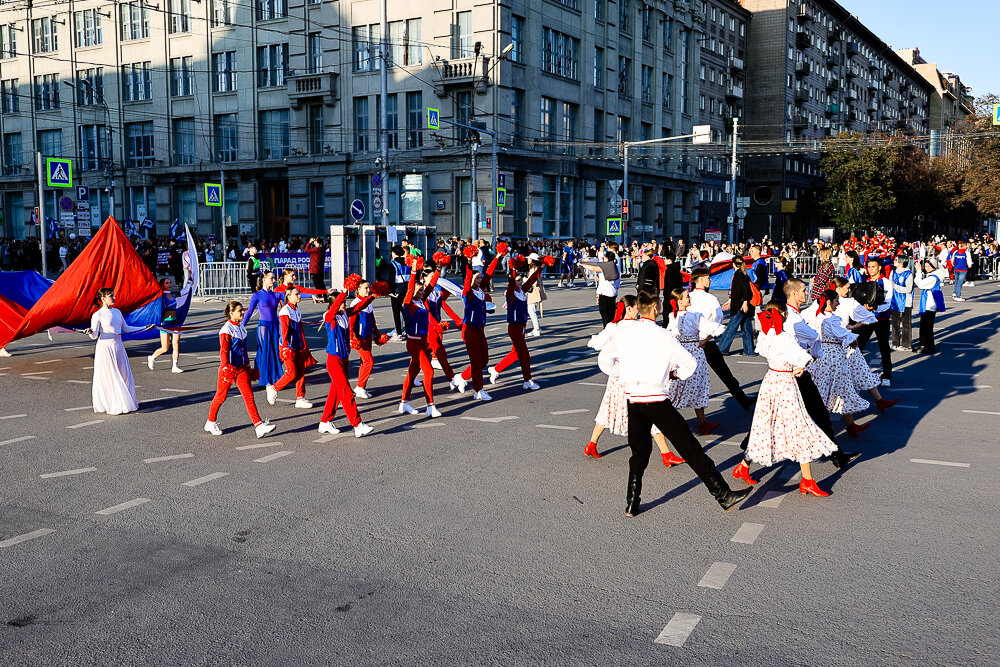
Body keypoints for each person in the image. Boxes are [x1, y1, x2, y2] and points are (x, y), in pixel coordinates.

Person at [604, 291, 754, 516]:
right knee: (690, 448)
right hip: (656, 399)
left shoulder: (625, 333)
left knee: (639, 452)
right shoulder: (663, 336)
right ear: (655, 307)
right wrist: (673, 374)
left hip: (634, 398)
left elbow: (604, 360)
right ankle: (722, 494)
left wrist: (624, 372)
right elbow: (689, 365)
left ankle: (632, 501)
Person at [742, 304, 839, 497]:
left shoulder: (766, 333)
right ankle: (807, 481)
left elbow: (761, 350)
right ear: (783, 315)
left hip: (770, 382)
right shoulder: (783, 336)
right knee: (799, 426)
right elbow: (802, 356)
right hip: (785, 384)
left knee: (767, 426)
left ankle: (744, 465)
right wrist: (801, 365)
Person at [585, 294, 686, 467]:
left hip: (616, 377)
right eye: (636, 308)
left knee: (608, 410)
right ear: (629, 308)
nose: (638, 311)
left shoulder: (613, 326)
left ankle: (591, 444)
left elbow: (595, 343)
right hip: (633, 376)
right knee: (650, 411)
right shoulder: (634, 327)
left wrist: (614, 360)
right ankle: (666, 453)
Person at [204, 301, 276, 438]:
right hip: (229, 369)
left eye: (242, 310)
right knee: (221, 396)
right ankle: (210, 421)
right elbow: (224, 351)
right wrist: (225, 367)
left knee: (249, 396)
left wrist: (248, 366)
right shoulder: (226, 329)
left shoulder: (242, 327)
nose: (242, 312)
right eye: (239, 310)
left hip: (242, 369)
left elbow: (244, 350)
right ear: (231, 313)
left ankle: (258, 426)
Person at [687, 268, 754, 410]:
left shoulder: (688, 297)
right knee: (724, 373)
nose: (710, 280)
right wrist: (707, 338)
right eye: (707, 278)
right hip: (707, 340)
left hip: (690, 340)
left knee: (684, 373)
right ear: (700, 279)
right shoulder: (711, 299)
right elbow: (718, 322)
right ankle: (742, 399)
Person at [666, 288, 724, 435]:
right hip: (694, 353)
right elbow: (718, 328)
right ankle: (700, 422)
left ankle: (701, 422)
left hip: (679, 353)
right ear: (679, 301)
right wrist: (705, 340)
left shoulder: (672, 317)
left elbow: (668, 335)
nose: (690, 298)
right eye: (687, 297)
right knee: (697, 386)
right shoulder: (695, 316)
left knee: (676, 387)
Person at [318, 290, 375, 437]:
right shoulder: (329, 317)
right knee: (346, 391)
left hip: (345, 359)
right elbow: (334, 309)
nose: (345, 303)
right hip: (334, 360)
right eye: (343, 301)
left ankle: (325, 421)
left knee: (335, 392)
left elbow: (359, 307)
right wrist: (343, 292)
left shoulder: (344, 314)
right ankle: (357, 425)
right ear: (335, 303)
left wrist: (373, 296)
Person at [85, 287, 149, 415]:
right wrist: (91, 332)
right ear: (103, 299)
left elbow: (126, 328)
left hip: (118, 346)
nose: (114, 298)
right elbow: (95, 335)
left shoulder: (117, 312)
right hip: (105, 348)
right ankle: (114, 404)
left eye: (113, 295)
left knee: (124, 374)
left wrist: (144, 328)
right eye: (110, 296)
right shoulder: (97, 315)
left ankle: (125, 401)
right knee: (111, 376)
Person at [398, 256, 443, 418]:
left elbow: (430, 285)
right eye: (420, 290)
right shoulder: (408, 304)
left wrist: (438, 269)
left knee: (412, 372)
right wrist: (414, 270)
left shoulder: (422, 301)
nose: (423, 292)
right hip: (414, 342)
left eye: (422, 290)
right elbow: (410, 289)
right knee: (429, 372)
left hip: (424, 342)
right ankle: (430, 406)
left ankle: (404, 403)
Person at [489, 257, 542, 391]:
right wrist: (513, 268)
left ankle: (495, 369)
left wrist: (542, 267)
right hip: (514, 328)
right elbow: (512, 282)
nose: (520, 281)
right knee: (524, 354)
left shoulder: (521, 291)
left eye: (520, 279)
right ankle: (527, 380)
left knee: (515, 354)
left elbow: (531, 280)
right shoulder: (511, 293)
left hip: (522, 327)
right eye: (518, 280)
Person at [460, 249, 505, 401]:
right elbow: (467, 279)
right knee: (476, 361)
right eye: (477, 278)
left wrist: (497, 257)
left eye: (480, 278)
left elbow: (489, 273)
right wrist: (468, 262)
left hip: (480, 330)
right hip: (469, 329)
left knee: (484, 360)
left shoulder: (481, 290)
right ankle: (478, 390)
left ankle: (462, 377)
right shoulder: (468, 292)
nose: (480, 280)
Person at [267, 286, 316, 408]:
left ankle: (300, 398)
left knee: (301, 372)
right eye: (296, 294)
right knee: (292, 373)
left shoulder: (297, 310)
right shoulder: (285, 311)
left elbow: (300, 330)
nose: (299, 296)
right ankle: (273, 388)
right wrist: (285, 347)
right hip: (288, 346)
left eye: (299, 294)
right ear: (289, 297)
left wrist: (303, 345)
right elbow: (284, 331)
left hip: (298, 345)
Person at [242, 270, 285, 392]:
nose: (274, 280)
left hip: (275, 326)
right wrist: (242, 326)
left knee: (275, 351)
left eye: (274, 278)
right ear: (264, 279)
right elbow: (249, 312)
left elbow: (293, 294)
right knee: (265, 352)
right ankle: (265, 379)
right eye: (272, 278)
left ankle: (273, 377)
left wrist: (314, 294)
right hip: (263, 327)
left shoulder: (276, 294)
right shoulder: (257, 295)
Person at [856, 258, 893, 387]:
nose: (871, 269)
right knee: (858, 346)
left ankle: (887, 375)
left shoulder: (886, 282)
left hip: (881, 319)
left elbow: (887, 303)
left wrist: (874, 308)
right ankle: (856, 374)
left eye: (873, 266)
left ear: (879, 268)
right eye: (869, 267)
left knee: (884, 347)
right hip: (867, 320)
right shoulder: (866, 281)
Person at [348, 279, 385, 399]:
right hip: (360, 338)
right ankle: (359, 387)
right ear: (358, 289)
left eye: (369, 288)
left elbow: (372, 321)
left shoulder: (369, 302)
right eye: (366, 288)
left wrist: (377, 335)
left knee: (364, 362)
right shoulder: (355, 303)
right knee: (369, 361)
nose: (368, 290)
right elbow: (351, 324)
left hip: (367, 336)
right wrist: (353, 338)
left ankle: (361, 387)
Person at [716, 258, 757, 356]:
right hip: (742, 304)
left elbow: (744, 291)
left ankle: (722, 348)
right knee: (747, 328)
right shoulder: (743, 274)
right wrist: (730, 301)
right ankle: (749, 350)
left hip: (740, 305)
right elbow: (738, 290)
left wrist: (745, 302)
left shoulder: (738, 275)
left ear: (733, 264)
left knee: (731, 327)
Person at [147, 277, 184, 374]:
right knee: (165, 348)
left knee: (176, 344)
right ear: (163, 285)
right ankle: (152, 357)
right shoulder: (161, 297)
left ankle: (175, 366)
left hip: (175, 322)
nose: (169, 284)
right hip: (165, 323)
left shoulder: (172, 295)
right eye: (167, 283)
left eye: (170, 283)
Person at [579, 250, 621, 327]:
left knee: (606, 314)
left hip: (606, 293)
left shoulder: (608, 265)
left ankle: (608, 331)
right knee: (609, 314)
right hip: (610, 292)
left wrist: (582, 265)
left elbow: (594, 268)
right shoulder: (612, 265)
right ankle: (609, 330)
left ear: (607, 258)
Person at [914, 258, 946, 354]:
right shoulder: (934, 275)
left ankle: (923, 346)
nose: (927, 268)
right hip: (930, 303)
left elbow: (920, 284)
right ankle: (930, 345)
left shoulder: (933, 277)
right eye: (926, 266)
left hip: (930, 304)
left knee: (925, 326)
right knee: (928, 326)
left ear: (934, 267)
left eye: (929, 266)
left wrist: (918, 272)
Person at [889, 256, 914, 352]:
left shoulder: (908, 274)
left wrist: (896, 287)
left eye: (896, 260)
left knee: (906, 324)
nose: (894, 261)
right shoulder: (893, 272)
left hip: (906, 302)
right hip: (895, 301)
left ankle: (906, 344)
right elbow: (890, 284)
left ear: (901, 263)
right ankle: (895, 342)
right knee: (895, 323)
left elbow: (908, 289)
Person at [388, 246, 410, 341]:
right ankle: (409, 331)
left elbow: (391, 279)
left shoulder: (393, 264)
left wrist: (390, 291)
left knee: (396, 312)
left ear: (393, 253)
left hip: (397, 290)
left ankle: (399, 333)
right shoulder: (407, 262)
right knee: (406, 311)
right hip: (407, 289)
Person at [525, 254, 546, 337]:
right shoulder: (536, 268)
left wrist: (526, 281)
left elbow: (534, 282)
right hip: (536, 290)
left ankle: (536, 329)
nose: (528, 260)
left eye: (529, 258)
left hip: (534, 291)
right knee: (532, 310)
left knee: (531, 310)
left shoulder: (533, 268)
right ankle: (537, 328)